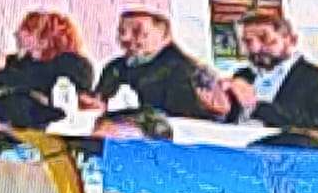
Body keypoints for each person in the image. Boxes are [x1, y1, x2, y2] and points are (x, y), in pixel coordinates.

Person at [222, 13, 318, 135]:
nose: (255, 48)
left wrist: (257, 108)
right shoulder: (243, 76)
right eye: (248, 42)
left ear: (292, 40)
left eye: (264, 38)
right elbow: (229, 121)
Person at [90, 9, 229, 121]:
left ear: (164, 35)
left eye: (138, 31)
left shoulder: (185, 71)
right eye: (121, 31)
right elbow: (99, 98)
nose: (125, 38)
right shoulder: (115, 67)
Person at [0, 11, 93, 130]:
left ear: (44, 35)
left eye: (27, 29)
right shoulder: (18, 63)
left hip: (38, 127)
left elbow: (35, 79)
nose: (18, 34)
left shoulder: (74, 64)